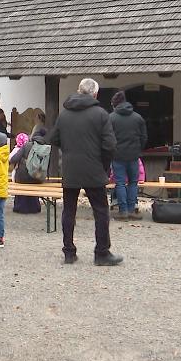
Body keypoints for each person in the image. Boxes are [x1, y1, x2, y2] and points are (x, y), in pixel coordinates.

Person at [48, 78, 122, 266]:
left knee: (69, 211)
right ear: (95, 94)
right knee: (101, 211)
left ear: (79, 91)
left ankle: (69, 252)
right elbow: (110, 145)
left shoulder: (64, 114)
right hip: (94, 168)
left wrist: (69, 150)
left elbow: (54, 138)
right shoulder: (100, 114)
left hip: (71, 168)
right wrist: (104, 165)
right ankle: (101, 253)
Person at [108, 91, 147, 221]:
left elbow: (108, 137)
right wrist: (137, 149)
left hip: (117, 155)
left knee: (119, 183)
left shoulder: (111, 118)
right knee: (133, 183)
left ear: (115, 104)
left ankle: (123, 211)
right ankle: (131, 210)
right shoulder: (138, 117)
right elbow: (144, 137)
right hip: (133, 155)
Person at [9, 128, 48, 214]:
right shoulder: (46, 148)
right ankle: (35, 207)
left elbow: (13, 159)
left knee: (22, 178)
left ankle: (20, 207)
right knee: (32, 180)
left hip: (22, 178)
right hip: (37, 178)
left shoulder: (26, 145)